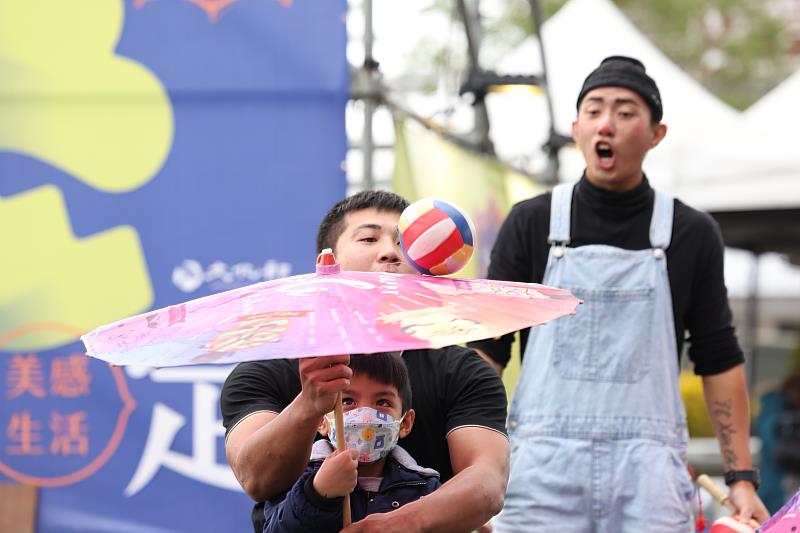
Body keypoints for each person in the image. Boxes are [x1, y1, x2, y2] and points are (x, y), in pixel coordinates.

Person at [468, 56, 769, 531]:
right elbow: (486, 351)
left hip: (649, 473)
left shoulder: (692, 233)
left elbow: (718, 357)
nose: (606, 123)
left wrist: (742, 479)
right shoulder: (532, 222)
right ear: (576, 127)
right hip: (541, 469)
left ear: (656, 134)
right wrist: (471, 464)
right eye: (594, 110)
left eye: (626, 112)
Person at [222, 190, 509, 533]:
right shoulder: (265, 371)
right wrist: (309, 404)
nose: (390, 252)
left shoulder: (463, 372)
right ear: (326, 264)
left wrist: (400, 524)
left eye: (405, 242)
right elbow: (256, 478)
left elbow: (488, 481)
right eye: (369, 238)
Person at [262, 352, 440, 532]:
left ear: (405, 423)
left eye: (383, 403)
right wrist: (317, 494)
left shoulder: (425, 488)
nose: (365, 415)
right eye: (347, 401)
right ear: (322, 421)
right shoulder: (295, 475)